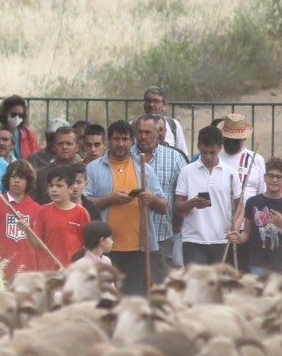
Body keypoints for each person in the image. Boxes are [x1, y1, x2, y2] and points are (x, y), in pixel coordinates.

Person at [83, 120, 167, 295]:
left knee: (133, 297)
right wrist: (110, 199)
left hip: (138, 249)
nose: (120, 143)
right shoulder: (92, 168)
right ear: (108, 141)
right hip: (103, 248)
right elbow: (84, 203)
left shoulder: (144, 169)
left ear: (132, 141)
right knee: (105, 296)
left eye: (125, 139)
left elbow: (163, 207)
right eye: (116, 139)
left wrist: (151, 198)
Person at [174, 125, 243, 265]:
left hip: (222, 239)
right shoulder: (186, 171)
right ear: (198, 146)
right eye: (204, 152)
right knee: (196, 285)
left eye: (213, 152)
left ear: (220, 147)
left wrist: (235, 225)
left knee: (217, 286)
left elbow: (240, 205)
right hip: (193, 239)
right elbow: (177, 207)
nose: (208, 157)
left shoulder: (231, 173)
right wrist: (192, 203)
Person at [229, 157, 282, 275]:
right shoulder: (253, 202)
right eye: (271, 175)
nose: (274, 180)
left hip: (281, 267)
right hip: (258, 265)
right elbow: (246, 233)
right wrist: (238, 238)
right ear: (264, 177)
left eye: (278, 177)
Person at [133, 114, 186, 269]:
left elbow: (184, 193)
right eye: (140, 132)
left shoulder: (174, 158)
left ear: (159, 133)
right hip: (132, 235)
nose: (143, 137)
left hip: (162, 234)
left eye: (148, 132)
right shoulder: (126, 156)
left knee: (161, 287)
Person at [218, 113, 266, 270]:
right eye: (228, 139)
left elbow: (260, 195)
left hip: (246, 229)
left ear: (244, 139)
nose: (231, 142)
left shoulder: (255, 160)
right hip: (218, 228)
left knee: (243, 275)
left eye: (235, 139)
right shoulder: (215, 156)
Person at [0, 160, 42, 280]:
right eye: (13, 176)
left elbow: (40, 242)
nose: (17, 180)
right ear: (7, 179)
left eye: (21, 177)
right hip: (0, 267)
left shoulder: (37, 208)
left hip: (28, 269)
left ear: (28, 181)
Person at [24, 167, 91, 271]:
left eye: (59, 186)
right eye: (51, 185)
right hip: (48, 271)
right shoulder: (42, 211)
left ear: (71, 188)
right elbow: (36, 244)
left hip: (73, 271)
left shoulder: (81, 213)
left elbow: (88, 247)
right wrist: (26, 230)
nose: (54, 189)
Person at [31, 125, 80, 204]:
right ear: (54, 146)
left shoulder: (86, 173)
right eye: (60, 143)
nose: (64, 147)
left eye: (69, 143)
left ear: (77, 147)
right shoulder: (40, 175)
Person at [143, 86, 189, 157]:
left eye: (156, 101)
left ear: (164, 105)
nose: (151, 105)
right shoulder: (133, 125)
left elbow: (182, 154)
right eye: (148, 101)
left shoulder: (173, 125)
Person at [0, 95, 40, 162]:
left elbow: (36, 158)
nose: (17, 118)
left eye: (20, 115)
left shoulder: (29, 134)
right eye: (13, 114)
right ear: (5, 113)